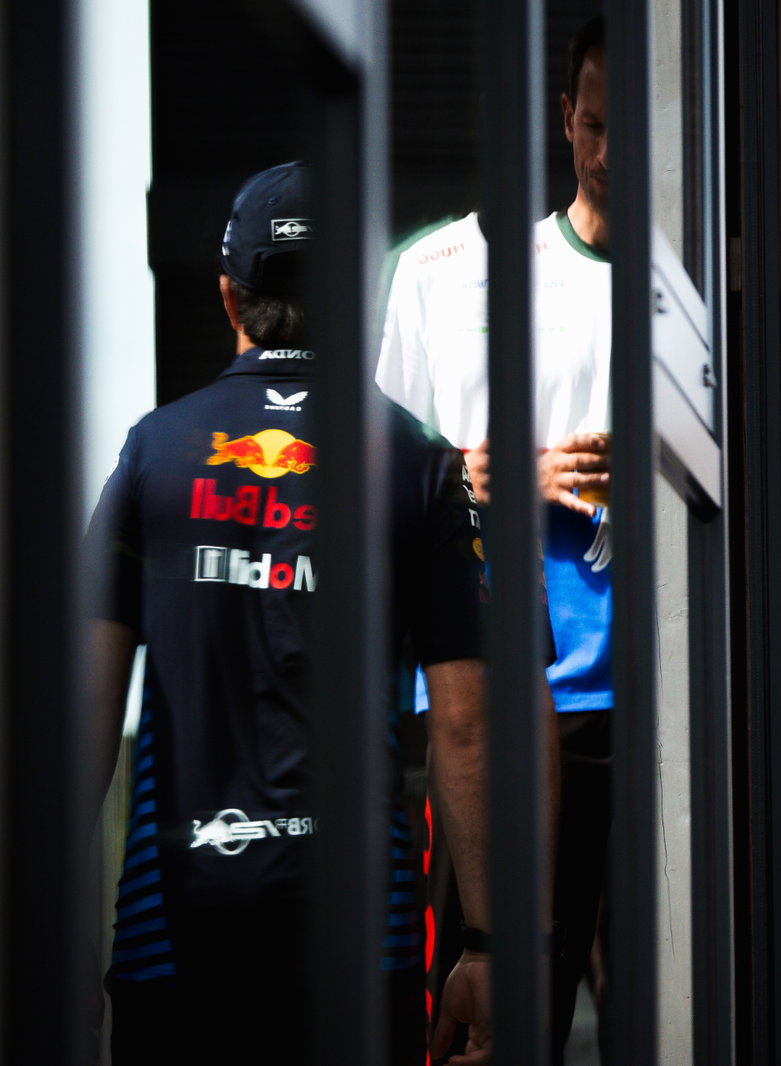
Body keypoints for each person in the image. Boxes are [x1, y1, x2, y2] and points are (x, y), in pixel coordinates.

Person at [87, 162, 497, 1065]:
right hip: (359, 933)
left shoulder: (152, 453)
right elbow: (468, 726)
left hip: (177, 928)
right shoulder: (422, 465)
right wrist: (486, 945)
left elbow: (80, 714)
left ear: (229, 296)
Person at [376, 15, 613, 1060]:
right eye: (595, 125)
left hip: (655, 704)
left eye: (630, 129)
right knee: (497, 1011)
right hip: (491, 700)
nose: (611, 154)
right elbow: (380, 483)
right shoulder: (440, 271)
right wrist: (480, 477)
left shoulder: (697, 284)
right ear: (565, 119)